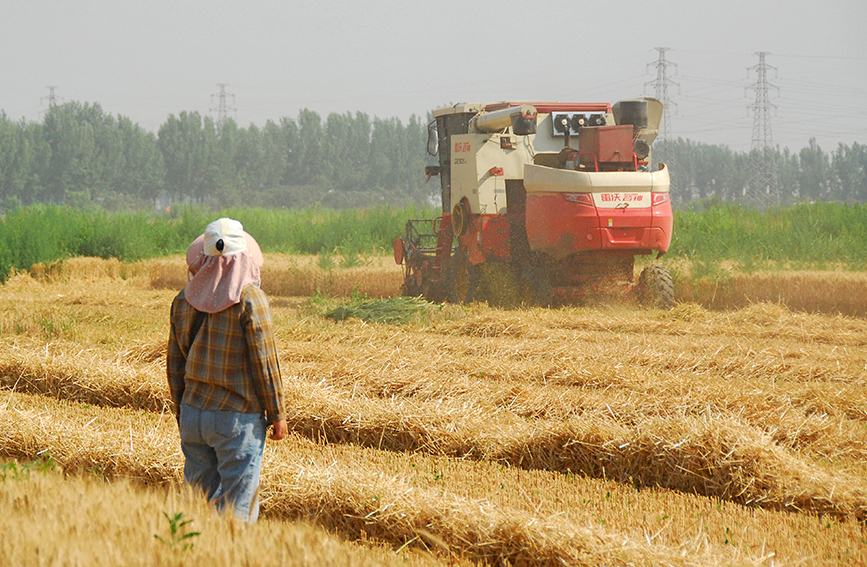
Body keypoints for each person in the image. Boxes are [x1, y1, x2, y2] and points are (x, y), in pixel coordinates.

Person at [167, 217, 288, 523]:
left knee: (197, 508)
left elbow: (174, 365)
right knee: (237, 511)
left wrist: (182, 410)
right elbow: (265, 362)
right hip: (235, 419)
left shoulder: (183, 301)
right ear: (245, 257)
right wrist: (277, 414)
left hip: (193, 415)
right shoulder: (250, 300)